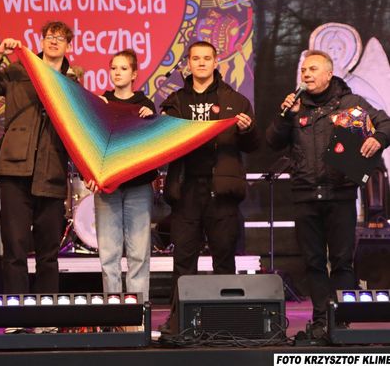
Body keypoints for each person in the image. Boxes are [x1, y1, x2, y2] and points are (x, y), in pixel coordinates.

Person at [266, 50, 390, 339]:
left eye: (312, 69)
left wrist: (378, 138)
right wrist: (286, 116)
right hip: (305, 194)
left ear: (329, 74)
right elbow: (272, 141)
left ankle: (340, 320)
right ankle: (321, 320)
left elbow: (385, 123)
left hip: (340, 194)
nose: (306, 74)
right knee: (313, 263)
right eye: (303, 70)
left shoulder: (350, 103)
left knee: (342, 261)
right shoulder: (296, 108)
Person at [0, 21, 75, 294]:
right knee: (14, 248)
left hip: (51, 173)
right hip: (15, 169)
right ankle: (16, 309)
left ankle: (46, 310)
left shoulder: (72, 83)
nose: (54, 41)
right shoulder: (19, 71)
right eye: (49, 36)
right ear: (41, 41)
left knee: (48, 253)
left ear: (68, 45)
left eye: (60, 38)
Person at [160, 40, 258, 331]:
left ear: (216, 63)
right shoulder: (175, 102)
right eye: (196, 58)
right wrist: (162, 128)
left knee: (224, 259)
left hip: (221, 193)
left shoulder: (236, 101)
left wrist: (247, 130)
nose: (201, 63)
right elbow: (162, 148)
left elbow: (253, 145)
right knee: (183, 260)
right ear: (188, 64)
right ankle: (179, 323)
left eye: (207, 58)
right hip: (186, 190)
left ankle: (226, 323)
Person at [86, 49, 157, 302]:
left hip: (139, 186)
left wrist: (151, 119)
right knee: (109, 254)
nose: (117, 73)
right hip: (108, 186)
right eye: (114, 68)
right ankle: (113, 311)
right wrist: (89, 174)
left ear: (134, 74)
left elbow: (153, 145)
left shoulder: (145, 106)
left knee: (139, 253)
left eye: (124, 68)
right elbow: (89, 142)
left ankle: (139, 311)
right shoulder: (99, 102)